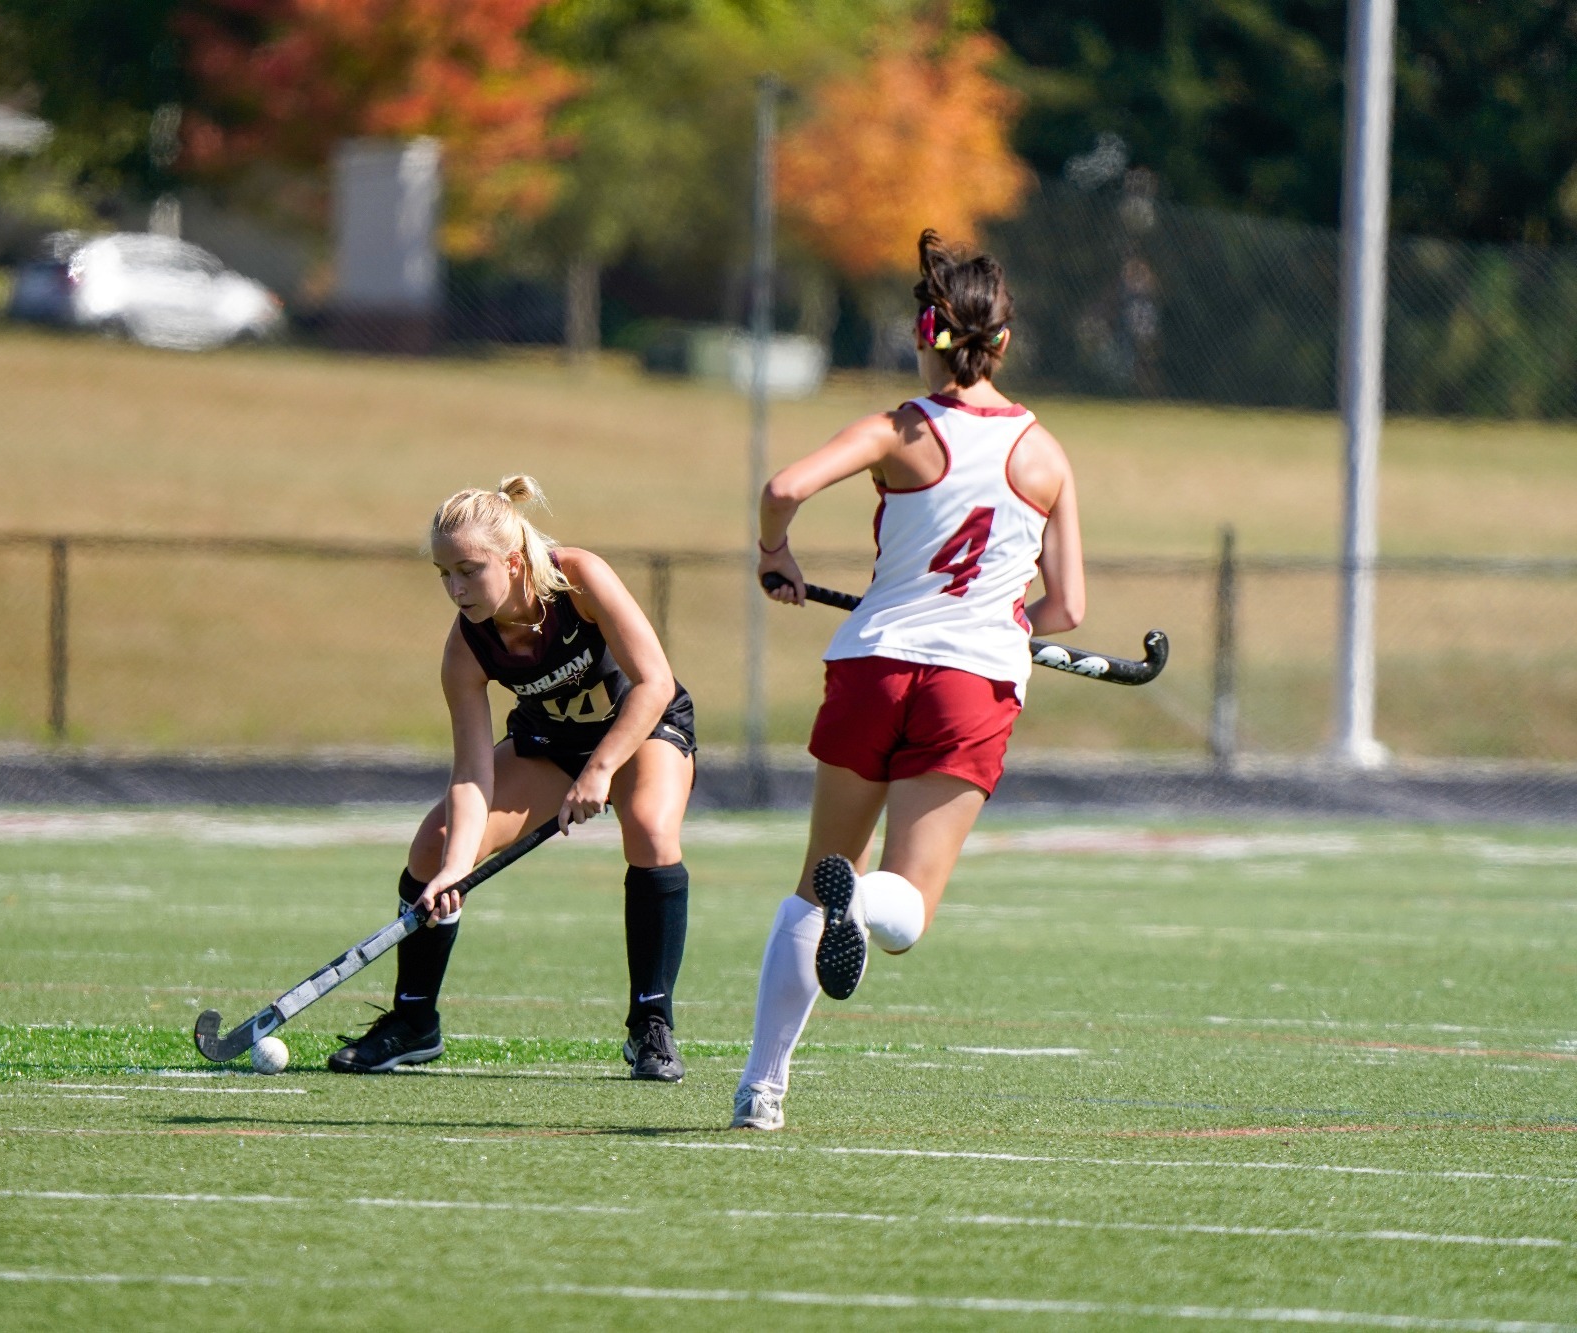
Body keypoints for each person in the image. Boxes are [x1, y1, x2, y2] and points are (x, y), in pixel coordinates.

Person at [731, 230, 1086, 1130]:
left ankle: (760, 1091)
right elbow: (1067, 608)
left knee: (815, 881)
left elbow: (783, 485)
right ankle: (875, 900)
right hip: (972, 685)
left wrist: (777, 552)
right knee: (910, 904)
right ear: (1002, 339)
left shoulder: (899, 428)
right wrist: (1012, 624)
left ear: (926, 334)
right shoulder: (1046, 455)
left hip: (873, 664)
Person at [328, 476, 699, 1081]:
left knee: (651, 829)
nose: (456, 589)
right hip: (550, 743)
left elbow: (655, 683)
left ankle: (650, 1026)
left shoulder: (578, 578)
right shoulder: (466, 651)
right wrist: (456, 865)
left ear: (515, 558)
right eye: (444, 574)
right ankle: (413, 1022)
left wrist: (601, 769)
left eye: (469, 571)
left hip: (642, 728)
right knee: (435, 844)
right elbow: (472, 775)